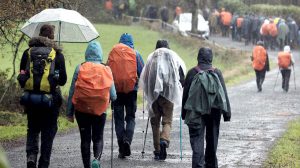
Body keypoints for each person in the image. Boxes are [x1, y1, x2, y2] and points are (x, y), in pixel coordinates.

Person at [17, 24, 67, 168]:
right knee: (48, 132)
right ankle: (43, 163)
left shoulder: (28, 52)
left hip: (31, 100)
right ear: (52, 37)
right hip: (50, 101)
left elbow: (22, 77)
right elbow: (62, 80)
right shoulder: (57, 55)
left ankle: (31, 157)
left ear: (39, 35)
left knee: (32, 129)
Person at [66, 41, 117, 168]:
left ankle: (86, 166)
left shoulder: (80, 67)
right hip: (100, 110)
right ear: (100, 53)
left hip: (82, 110)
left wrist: (69, 112)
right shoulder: (106, 69)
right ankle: (96, 160)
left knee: (85, 138)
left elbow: (72, 91)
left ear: (87, 53)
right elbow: (114, 95)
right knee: (98, 137)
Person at [182, 47, 231, 168]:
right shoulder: (217, 72)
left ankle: (198, 165)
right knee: (212, 139)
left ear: (198, 57)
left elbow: (186, 95)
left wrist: (184, 113)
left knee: (197, 138)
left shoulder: (192, 73)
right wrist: (227, 113)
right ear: (211, 58)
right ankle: (211, 165)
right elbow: (223, 94)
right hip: (214, 111)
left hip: (195, 112)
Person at [140, 40, 186, 160]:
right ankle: (164, 139)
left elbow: (144, 78)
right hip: (168, 96)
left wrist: (149, 93)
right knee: (167, 121)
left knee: (155, 123)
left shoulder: (151, 59)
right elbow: (182, 78)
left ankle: (157, 151)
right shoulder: (173, 58)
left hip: (154, 97)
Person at [107, 33, 144, 159]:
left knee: (118, 119)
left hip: (116, 91)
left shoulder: (113, 52)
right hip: (131, 91)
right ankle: (127, 140)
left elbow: (107, 71)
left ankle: (121, 147)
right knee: (130, 117)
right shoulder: (135, 54)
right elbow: (142, 72)